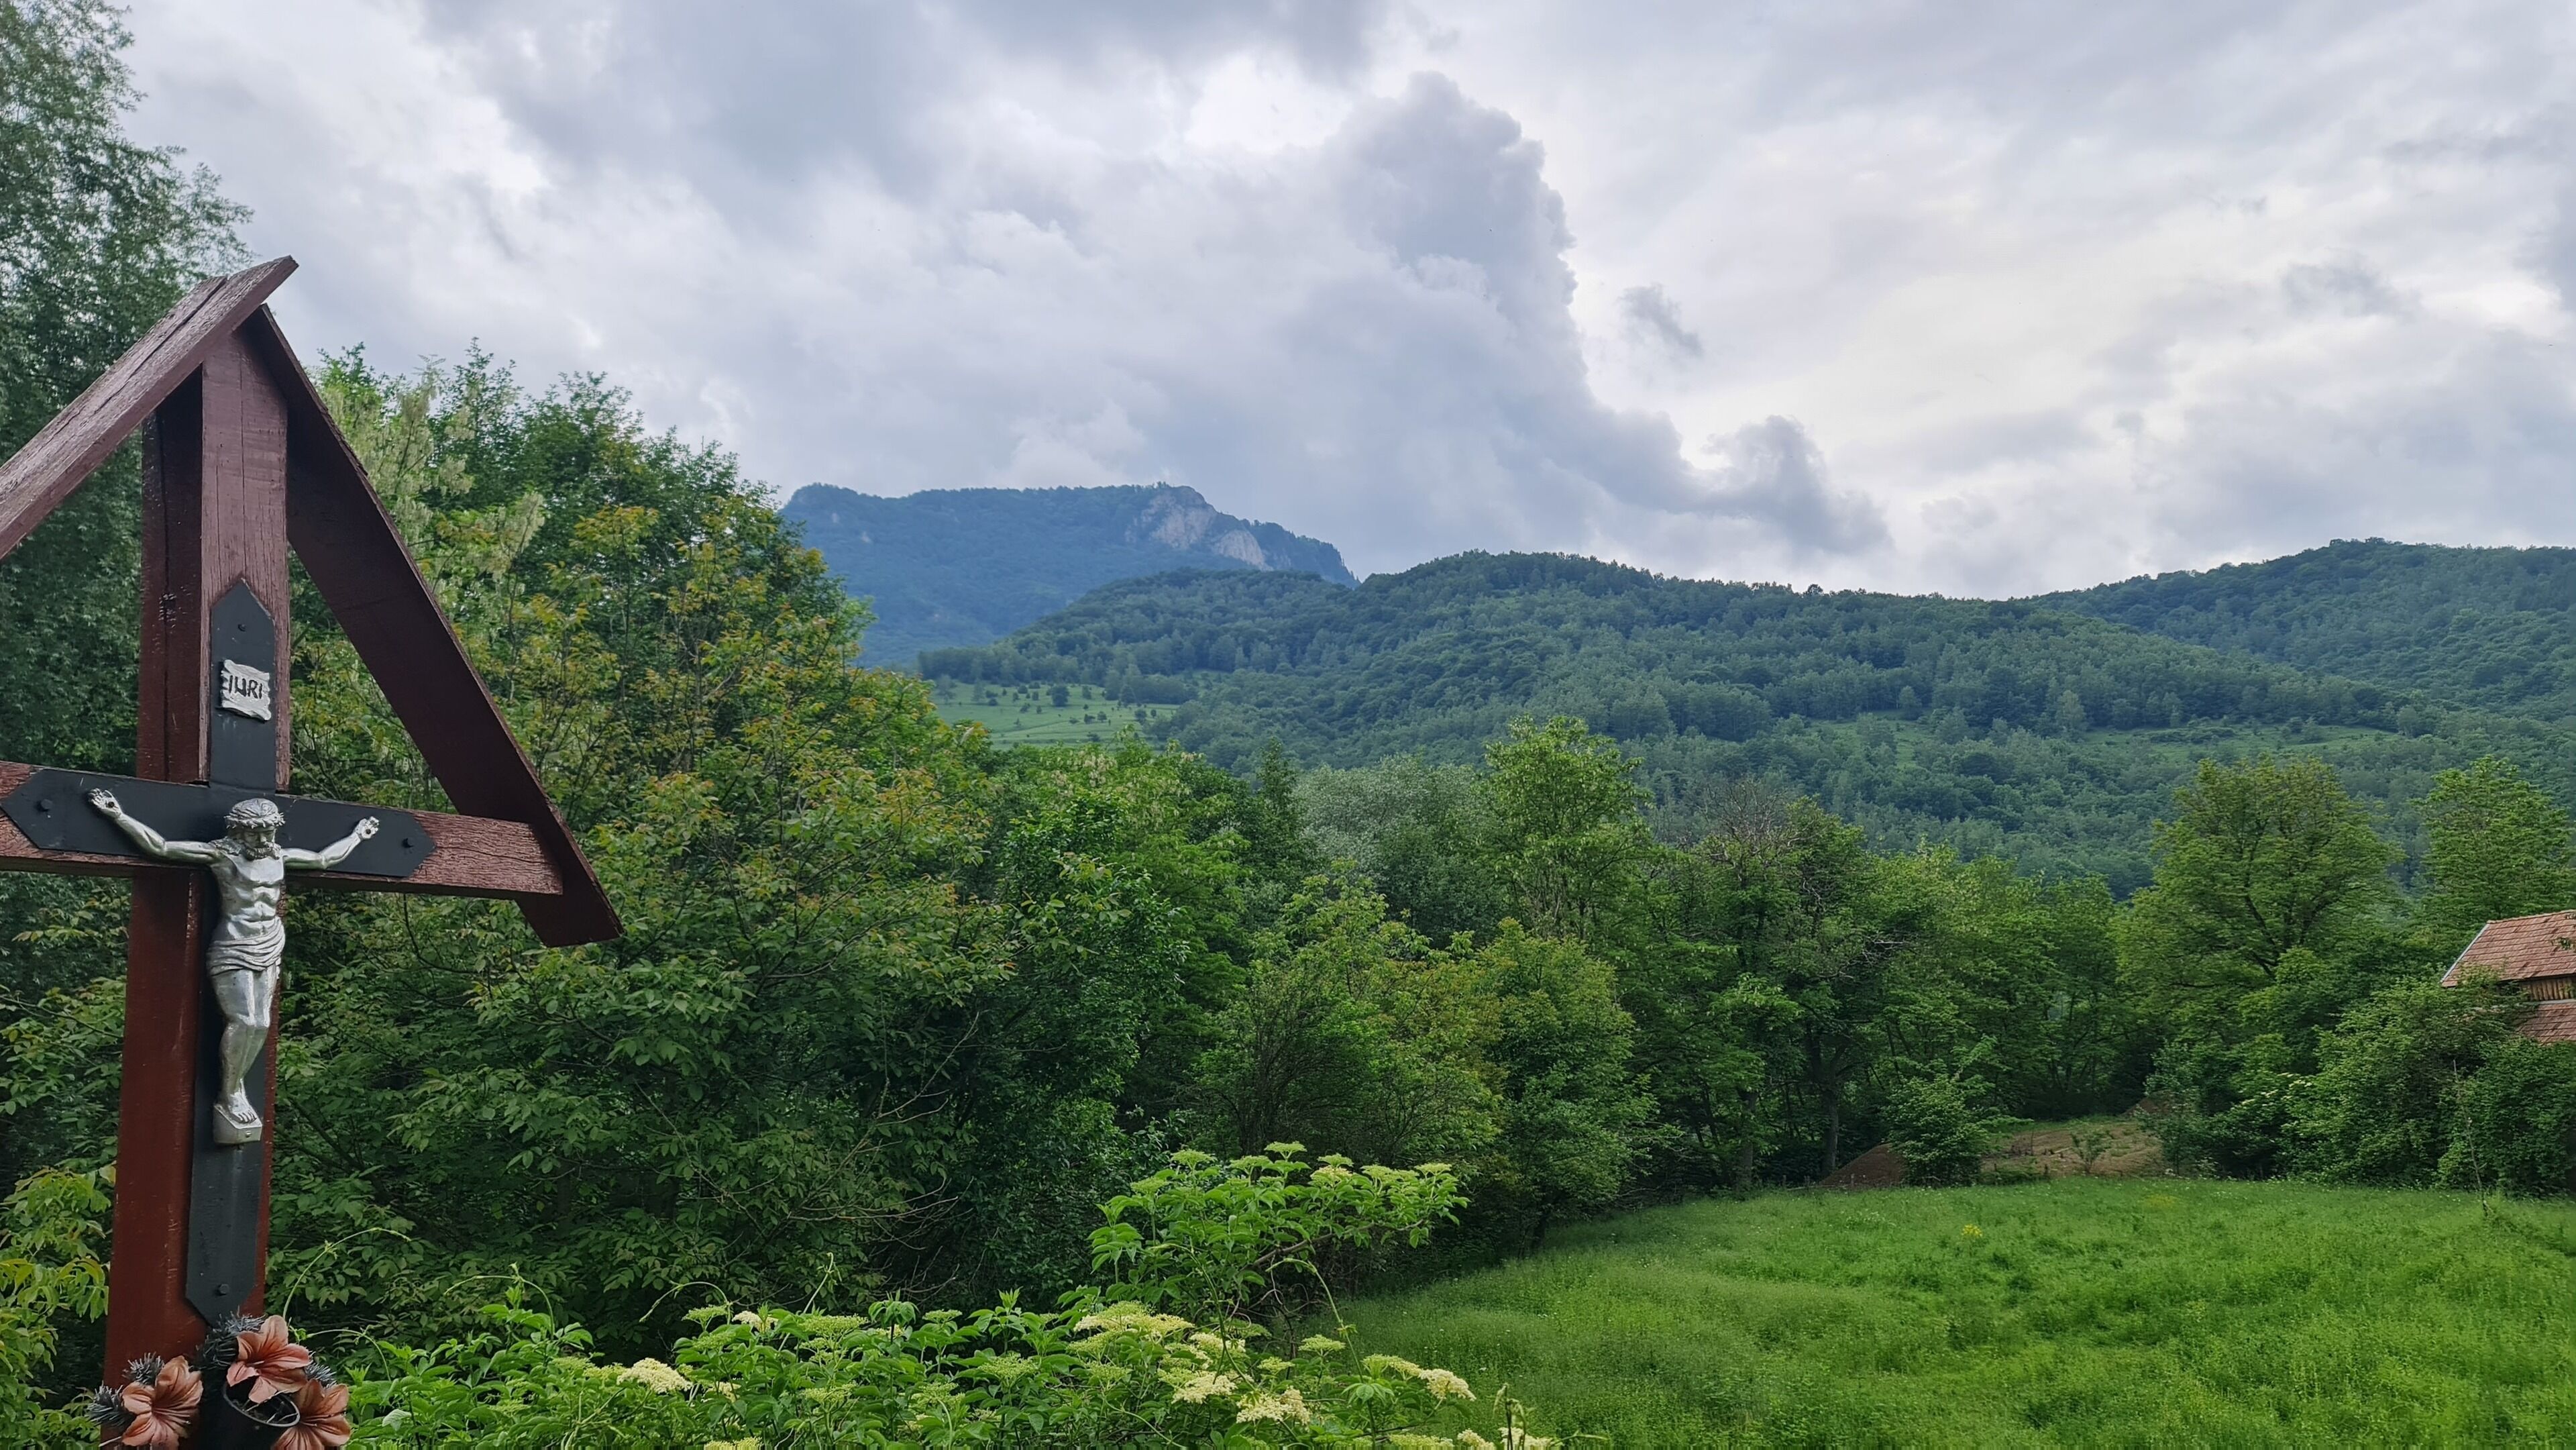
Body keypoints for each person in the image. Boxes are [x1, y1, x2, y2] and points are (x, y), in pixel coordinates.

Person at [87, 792, 378, 1144]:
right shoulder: (221, 855)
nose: (264, 839)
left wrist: (357, 836)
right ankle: (229, 1093)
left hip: (271, 940)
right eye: (256, 833)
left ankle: (237, 1087)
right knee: (244, 1021)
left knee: (263, 1023)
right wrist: (118, 815)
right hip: (235, 944)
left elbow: (323, 860)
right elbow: (161, 847)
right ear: (239, 831)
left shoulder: (279, 856)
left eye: (269, 832)